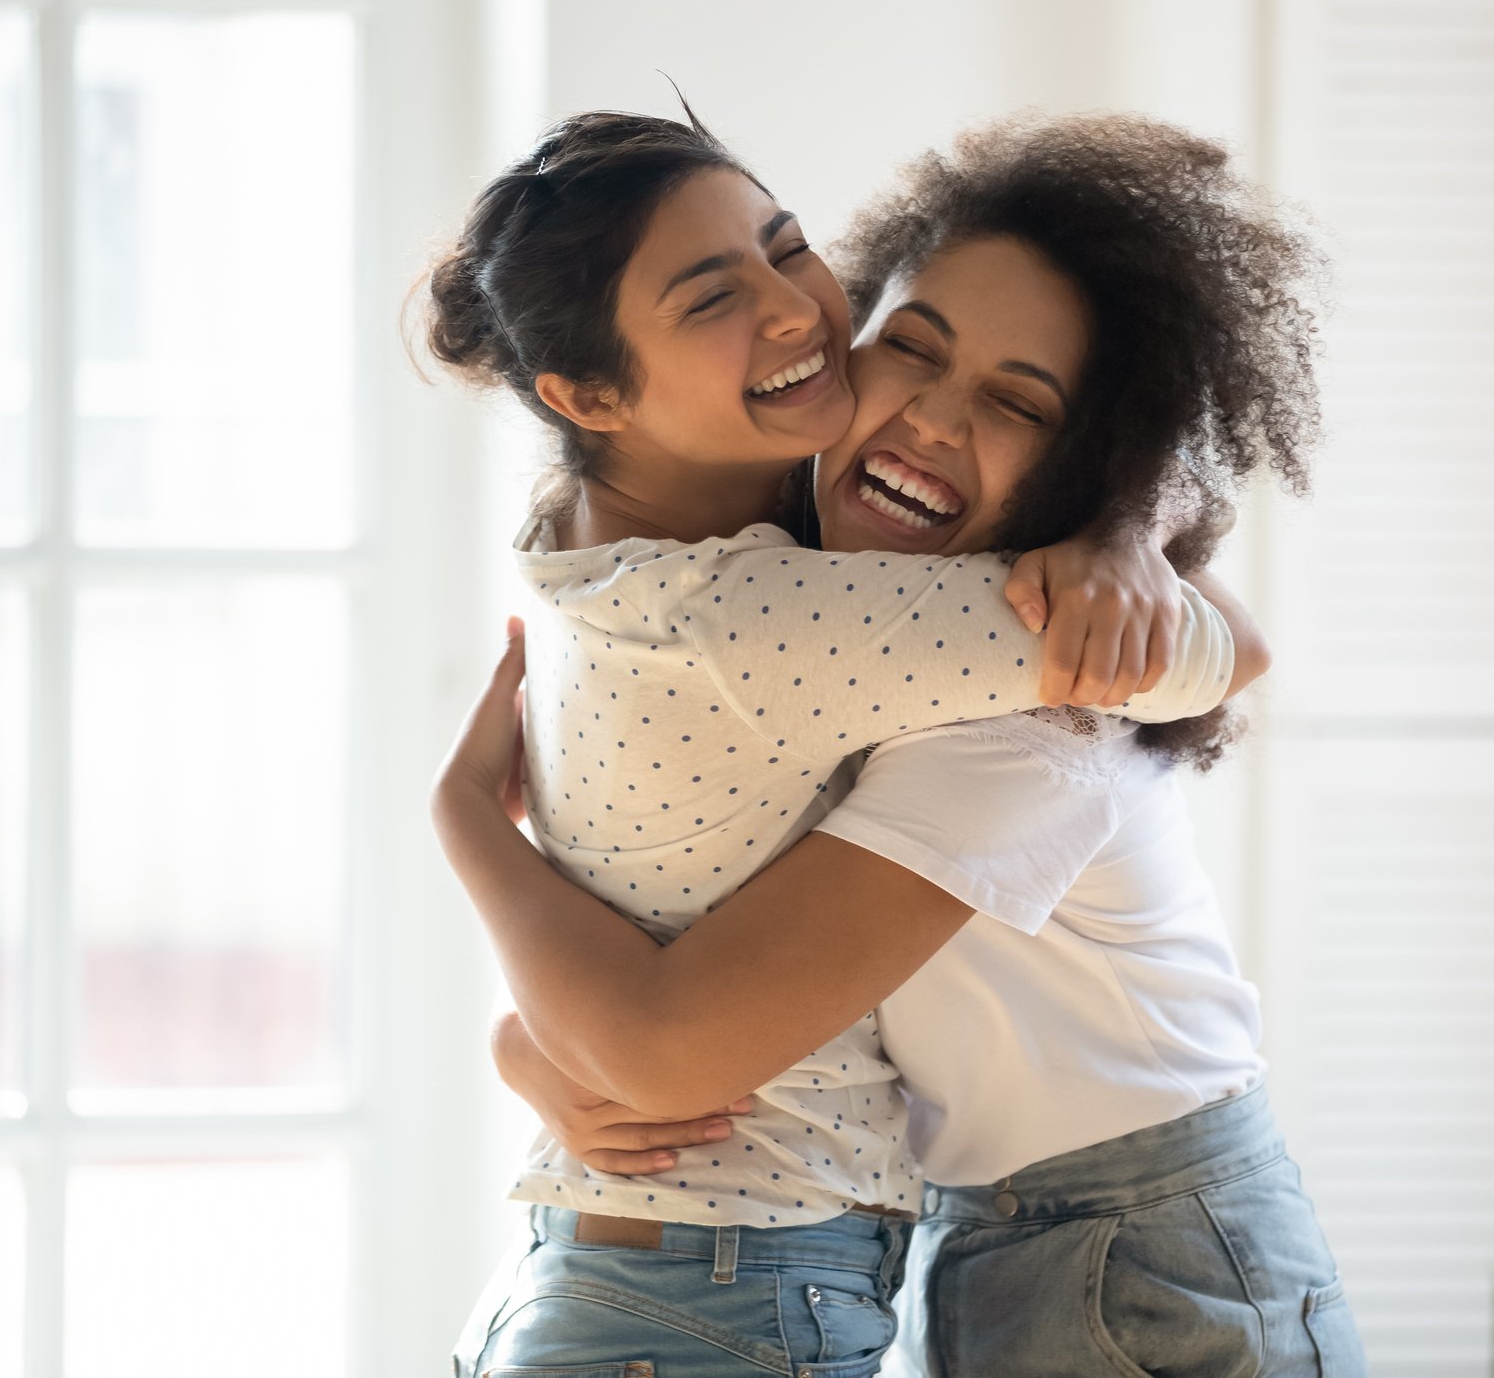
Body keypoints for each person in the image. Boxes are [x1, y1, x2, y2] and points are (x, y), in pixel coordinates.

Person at [436, 114, 1364, 1375]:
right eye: (910, 348)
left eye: (1017, 404)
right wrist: (524, 1046)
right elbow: (664, 895)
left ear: (1089, 458)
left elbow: (673, 1039)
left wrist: (1124, 535)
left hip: (1138, 1250)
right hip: (959, 1228)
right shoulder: (799, 592)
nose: (929, 418)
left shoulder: (1029, 707)